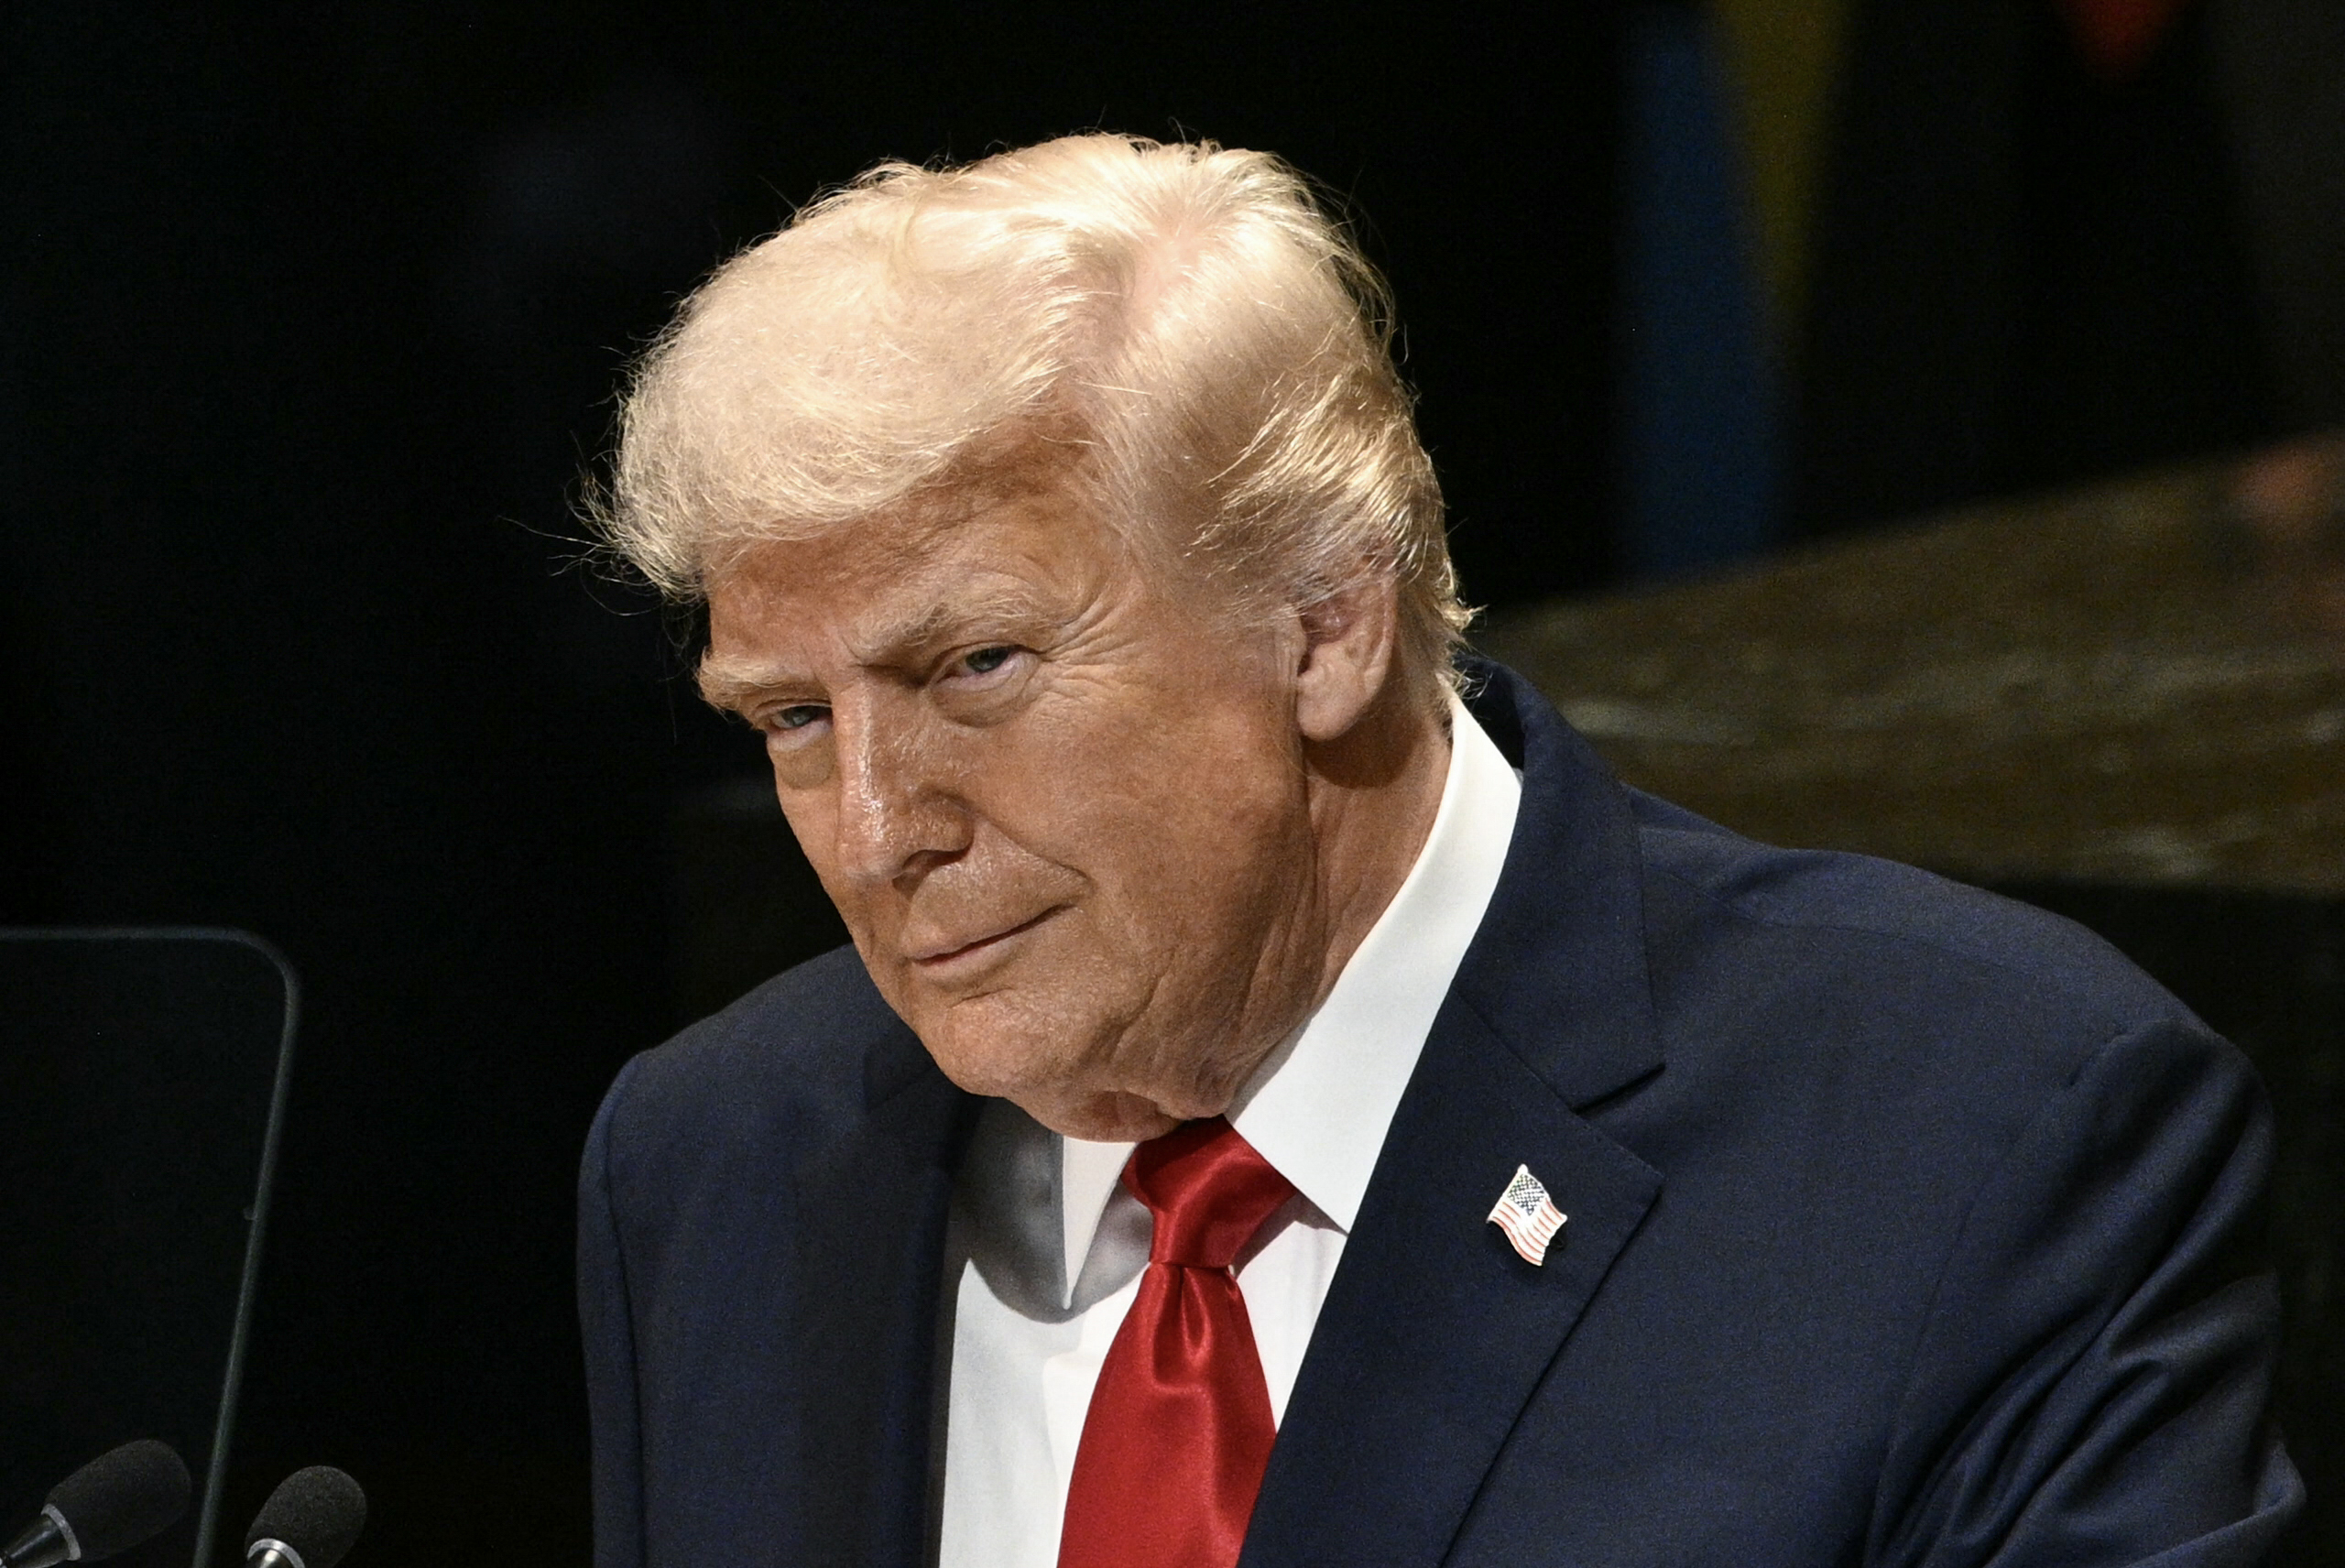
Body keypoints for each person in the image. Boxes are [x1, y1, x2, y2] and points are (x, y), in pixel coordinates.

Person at [576, 135, 2301, 1568]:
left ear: (1322, 619)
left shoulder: (1976, 1140)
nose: (875, 835)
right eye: (792, 721)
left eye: (975, 670)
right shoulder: (722, 1163)